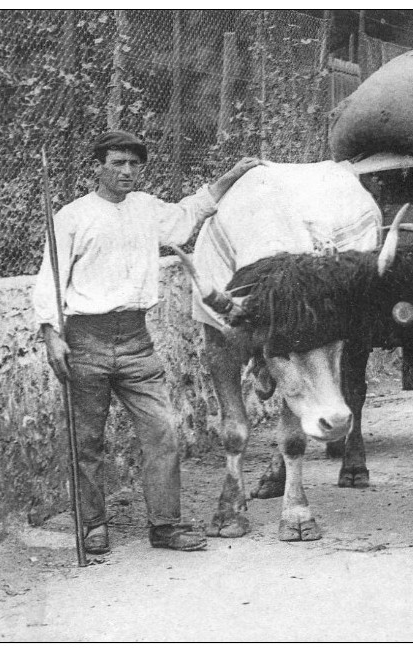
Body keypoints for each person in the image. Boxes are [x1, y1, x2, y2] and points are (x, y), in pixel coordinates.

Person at [33, 130, 260, 554]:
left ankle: (165, 525)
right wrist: (51, 335)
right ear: (97, 167)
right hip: (86, 341)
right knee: (88, 440)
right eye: (117, 163)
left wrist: (234, 173)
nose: (127, 171)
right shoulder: (72, 216)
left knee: (164, 432)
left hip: (137, 341)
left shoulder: (147, 209)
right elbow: (50, 278)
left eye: (134, 164)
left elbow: (193, 210)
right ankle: (93, 526)